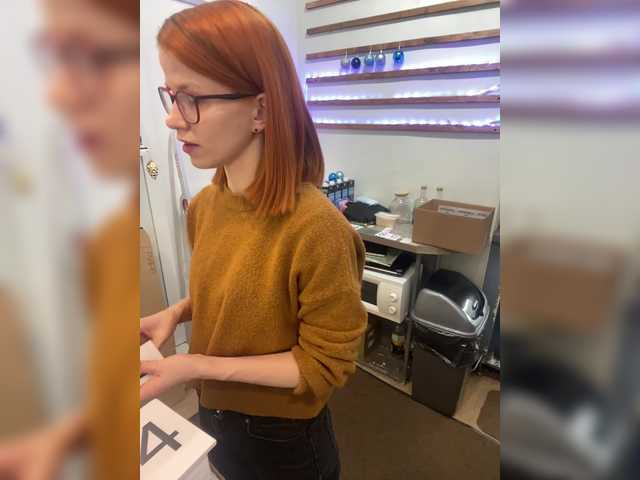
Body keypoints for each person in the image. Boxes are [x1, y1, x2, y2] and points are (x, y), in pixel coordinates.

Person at [139, 1, 367, 478]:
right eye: (171, 96)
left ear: (260, 109)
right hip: (215, 415)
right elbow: (244, 296)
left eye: (191, 98)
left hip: (283, 439)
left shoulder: (317, 229)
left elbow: (324, 363)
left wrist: (197, 365)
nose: (173, 119)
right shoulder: (206, 206)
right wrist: (178, 312)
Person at [0, 1, 139, 479]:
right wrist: (64, 438)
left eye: (88, 55)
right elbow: (112, 396)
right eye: (57, 57)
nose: (57, 94)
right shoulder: (110, 245)